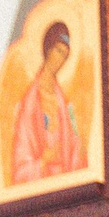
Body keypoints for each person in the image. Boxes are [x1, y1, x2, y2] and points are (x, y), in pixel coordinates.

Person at [11, 19, 90, 184]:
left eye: (65, 55)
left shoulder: (65, 103)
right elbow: (21, 158)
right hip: (42, 179)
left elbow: (73, 140)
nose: (61, 59)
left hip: (64, 179)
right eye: (59, 51)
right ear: (48, 49)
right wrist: (42, 162)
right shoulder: (30, 103)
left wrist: (80, 149)